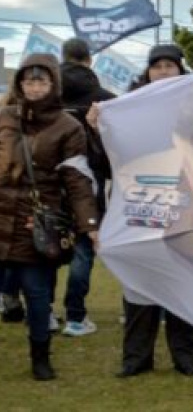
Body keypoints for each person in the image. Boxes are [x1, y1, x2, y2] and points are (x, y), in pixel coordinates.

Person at [0, 53, 99, 380]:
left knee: (37, 294)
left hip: (37, 223)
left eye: (41, 81)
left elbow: (77, 180)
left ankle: (40, 357)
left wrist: (89, 224)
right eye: (29, 81)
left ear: (53, 84)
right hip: (1, 215)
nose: (34, 87)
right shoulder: (4, 118)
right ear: (19, 84)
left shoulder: (68, 127)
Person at [110, 44, 193, 379]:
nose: (163, 72)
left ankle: (184, 355)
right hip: (141, 204)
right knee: (139, 285)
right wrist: (96, 124)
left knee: (182, 282)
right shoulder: (129, 107)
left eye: (169, 66)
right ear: (147, 72)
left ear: (180, 70)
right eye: (157, 66)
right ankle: (136, 357)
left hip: (183, 206)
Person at [58, 37, 115, 337]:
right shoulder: (104, 98)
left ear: (63, 56)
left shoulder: (46, 94)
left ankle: (43, 313)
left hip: (50, 181)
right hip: (90, 180)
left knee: (45, 247)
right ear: (89, 60)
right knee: (83, 247)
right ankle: (75, 316)